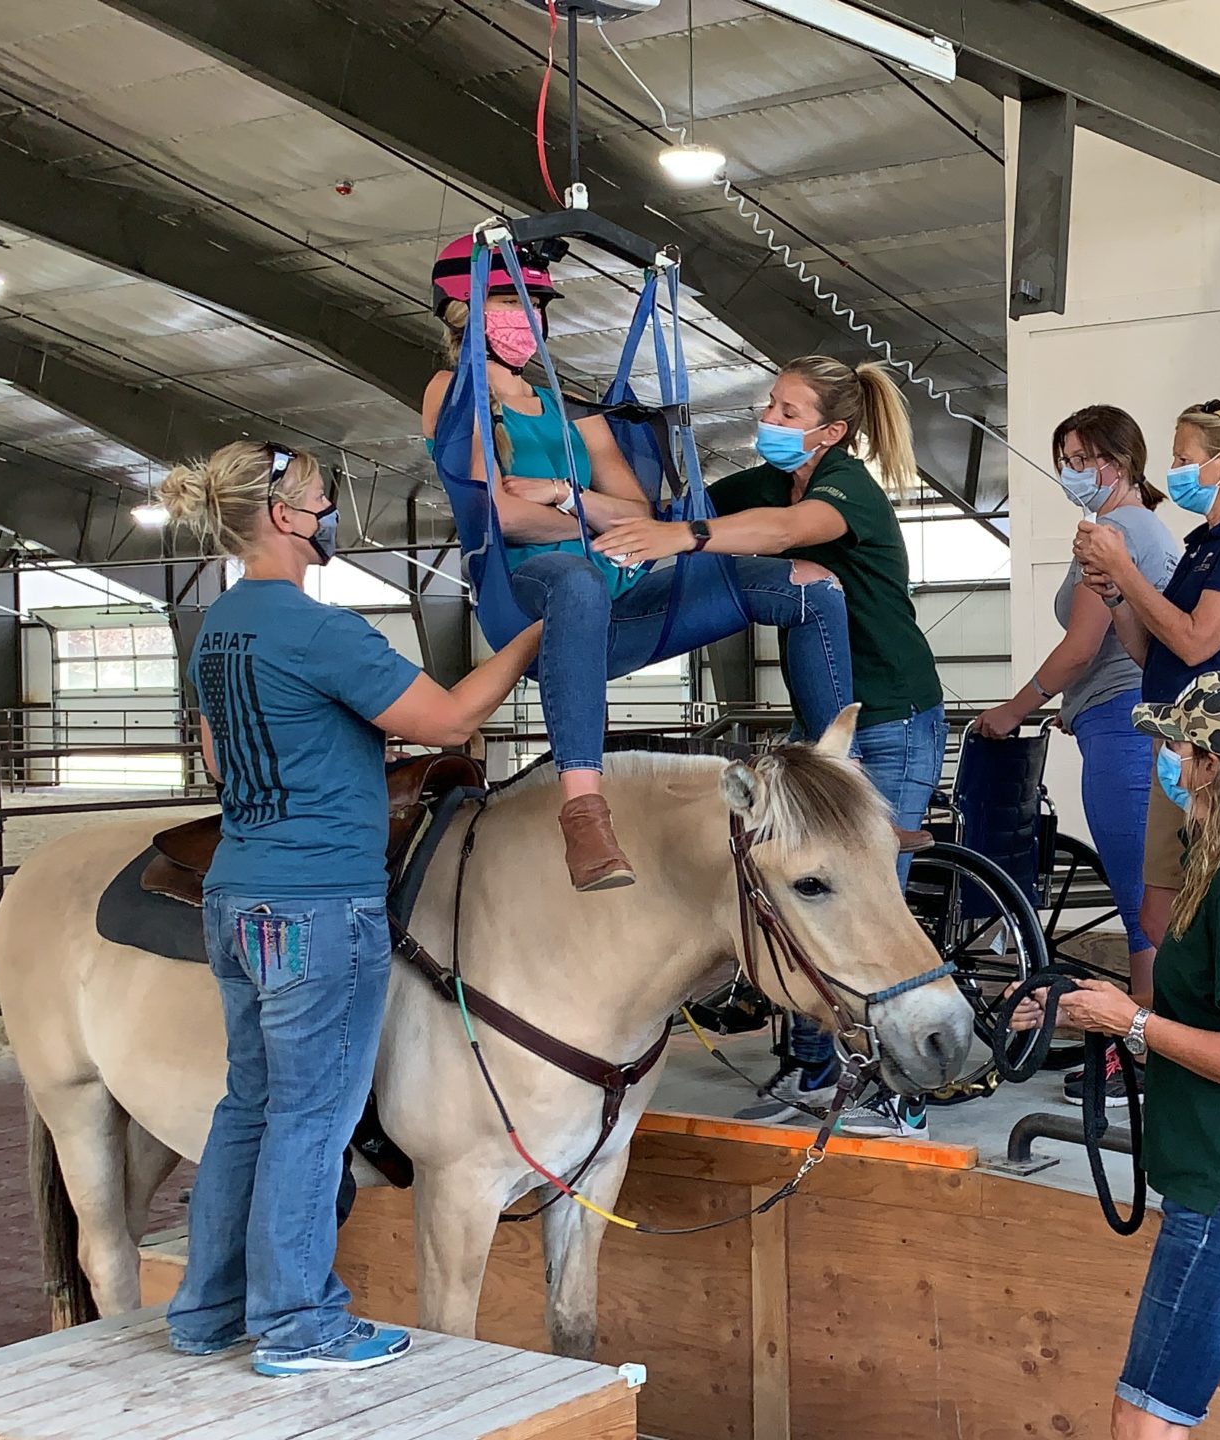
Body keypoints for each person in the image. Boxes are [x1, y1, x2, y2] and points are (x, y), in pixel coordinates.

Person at [158, 440, 544, 1376]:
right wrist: (533, 638)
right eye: (323, 498)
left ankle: (209, 1308)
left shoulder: (216, 625)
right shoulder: (317, 630)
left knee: (248, 1106)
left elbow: (218, 758)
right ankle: (298, 1324)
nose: (332, 511)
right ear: (287, 518)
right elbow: (449, 722)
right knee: (312, 1118)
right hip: (318, 901)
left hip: (238, 889)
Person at [423, 235, 855, 891]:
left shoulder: (581, 418)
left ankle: (834, 788)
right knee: (575, 577)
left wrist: (567, 498)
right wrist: (595, 518)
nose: (530, 319)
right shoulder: (452, 393)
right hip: (528, 599)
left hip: (619, 604)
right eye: (511, 303)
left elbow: (640, 517)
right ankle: (584, 808)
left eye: (535, 304)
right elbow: (504, 518)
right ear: (465, 310)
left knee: (811, 585)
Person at [594, 355, 942, 1138]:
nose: (771, 419)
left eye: (789, 411)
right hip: (824, 726)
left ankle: (897, 1089)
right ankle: (816, 1073)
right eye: (772, 405)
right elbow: (684, 506)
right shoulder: (765, 482)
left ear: (832, 430)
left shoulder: (843, 486)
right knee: (795, 888)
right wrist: (597, 473)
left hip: (889, 716)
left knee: (867, 897)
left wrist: (678, 535)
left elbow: (783, 533)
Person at [1012, 672, 1220, 1440]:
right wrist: (1096, 1010)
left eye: (1174, 745)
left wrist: (1132, 1025)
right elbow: (1205, 1018)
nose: (1162, 757)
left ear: (1212, 765)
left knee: (1145, 1418)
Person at [974, 405, 1181, 1103]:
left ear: (1115, 466)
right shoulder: (1144, 527)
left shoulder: (1117, 531)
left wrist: (1013, 709)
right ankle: (1147, 1044)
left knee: (1140, 900)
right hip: (1115, 718)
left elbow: (1083, 646)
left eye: (1078, 458)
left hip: (1125, 730)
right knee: (1148, 893)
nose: (1067, 472)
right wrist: (1076, 705)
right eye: (1062, 456)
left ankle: (1145, 1054)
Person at [1074, 399, 1220, 1010]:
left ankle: (1199, 1033)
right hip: (1177, 736)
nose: (1172, 470)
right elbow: (1156, 652)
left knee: (1216, 894)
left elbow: (1197, 639)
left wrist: (1126, 565)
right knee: (1158, 905)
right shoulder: (1204, 544)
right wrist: (1116, 592)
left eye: (1182, 458)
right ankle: (1164, 1034)